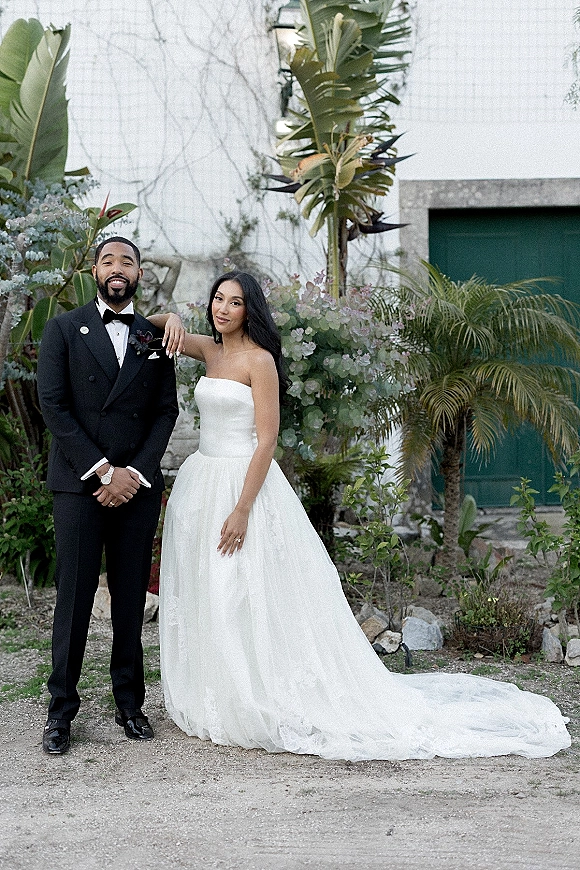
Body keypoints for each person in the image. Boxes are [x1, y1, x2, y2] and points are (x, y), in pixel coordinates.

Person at [153, 270, 571, 761]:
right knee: (212, 589)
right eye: (217, 300)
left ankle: (258, 693)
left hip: (244, 485)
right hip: (203, 480)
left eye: (235, 302)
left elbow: (267, 440)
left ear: (252, 310)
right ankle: (220, 691)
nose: (222, 309)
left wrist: (242, 508)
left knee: (244, 588)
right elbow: (150, 322)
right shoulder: (209, 349)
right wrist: (174, 316)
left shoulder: (259, 361)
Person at [37, 236, 179, 755]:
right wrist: (102, 472)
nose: (117, 269)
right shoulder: (62, 329)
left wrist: (134, 474)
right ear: (94, 272)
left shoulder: (154, 335)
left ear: (140, 273)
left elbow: (167, 411)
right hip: (79, 485)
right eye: (108, 261)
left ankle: (129, 704)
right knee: (73, 599)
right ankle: (60, 713)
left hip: (136, 490)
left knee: (128, 599)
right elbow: (53, 406)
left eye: (127, 262)